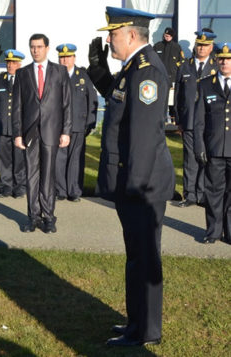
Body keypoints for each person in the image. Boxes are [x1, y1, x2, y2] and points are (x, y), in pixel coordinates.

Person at [87, 7, 175, 346]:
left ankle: (146, 330)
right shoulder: (131, 69)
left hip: (143, 184)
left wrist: (134, 187)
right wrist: (98, 69)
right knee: (137, 256)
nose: (109, 39)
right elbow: (117, 97)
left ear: (131, 35)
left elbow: (142, 136)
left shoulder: (147, 70)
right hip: (134, 181)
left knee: (145, 257)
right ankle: (136, 322)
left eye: (113, 34)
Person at [12, 33, 72, 234]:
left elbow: (66, 104)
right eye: (32, 47)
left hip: (51, 131)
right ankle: (33, 216)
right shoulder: (22, 74)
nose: (35, 50)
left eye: (39, 46)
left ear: (47, 48)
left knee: (48, 175)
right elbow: (18, 107)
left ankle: (48, 216)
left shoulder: (60, 72)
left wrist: (66, 131)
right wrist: (18, 133)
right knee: (31, 175)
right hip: (29, 132)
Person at [175, 31, 218, 207]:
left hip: (210, 123)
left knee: (207, 159)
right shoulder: (184, 66)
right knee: (190, 159)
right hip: (190, 121)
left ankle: (203, 194)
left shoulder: (218, 67)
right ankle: (190, 195)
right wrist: (179, 120)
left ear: (211, 47)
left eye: (205, 45)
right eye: (199, 45)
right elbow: (178, 96)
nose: (201, 48)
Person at [194, 42, 231, 245]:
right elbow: (199, 120)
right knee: (214, 193)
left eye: (229, 59)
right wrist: (199, 146)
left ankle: (230, 232)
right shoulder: (206, 84)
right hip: (214, 149)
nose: (225, 62)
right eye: (222, 59)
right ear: (216, 60)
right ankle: (213, 232)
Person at [54, 43, 98, 202]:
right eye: (61, 57)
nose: (64, 61)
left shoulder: (83, 75)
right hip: (58, 125)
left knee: (76, 158)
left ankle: (74, 191)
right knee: (59, 158)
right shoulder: (53, 75)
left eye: (67, 57)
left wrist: (90, 123)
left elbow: (92, 98)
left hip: (79, 124)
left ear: (74, 58)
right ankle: (60, 190)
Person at [0, 49, 27, 198]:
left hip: (20, 128)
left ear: (19, 64)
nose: (10, 65)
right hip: (3, 126)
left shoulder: (25, 79)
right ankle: (6, 186)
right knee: (4, 159)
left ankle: (20, 187)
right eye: (8, 62)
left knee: (19, 159)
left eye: (13, 63)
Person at [153, 27, 184, 122]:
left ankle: (174, 121)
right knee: (161, 101)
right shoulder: (157, 46)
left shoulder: (177, 47)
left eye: (169, 36)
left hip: (173, 79)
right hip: (159, 79)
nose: (166, 37)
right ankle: (161, 121)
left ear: (172, 36)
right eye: (165, 35)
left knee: (172, 101)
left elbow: (181, 62)